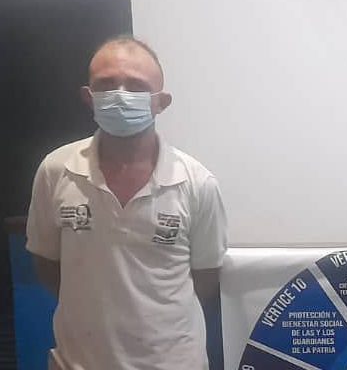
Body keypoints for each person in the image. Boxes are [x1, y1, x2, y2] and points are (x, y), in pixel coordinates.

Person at [26, 36, 228, 369]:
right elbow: (47, 263)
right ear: (88, 97)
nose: (120, 96)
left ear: (160, 102)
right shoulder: (56, 170)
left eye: (136, 86)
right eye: (106, 84)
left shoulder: (196, 182)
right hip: (79, 362)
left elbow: (205, 277)